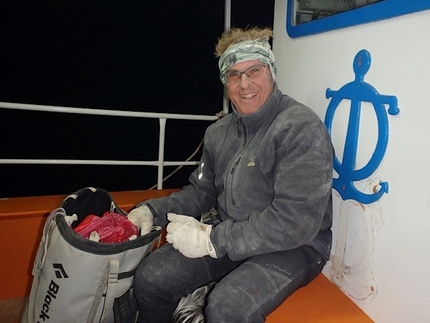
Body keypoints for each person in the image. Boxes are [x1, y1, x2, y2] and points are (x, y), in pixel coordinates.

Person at [127, 27, 333, 323]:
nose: (244, 83)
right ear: (225, 82)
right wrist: (150, 212)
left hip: (296, 246)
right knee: (151, 278)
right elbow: (201, 193)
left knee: (227, 306)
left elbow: (295, 222)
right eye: (234, 75)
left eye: (254, 70)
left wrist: (211, 239)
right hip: (231, 233)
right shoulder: (218, 133)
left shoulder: (299, 127)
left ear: (271, 71)